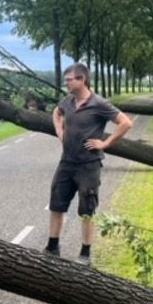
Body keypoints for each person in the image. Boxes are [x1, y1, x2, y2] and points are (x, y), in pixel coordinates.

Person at [44, 63, 133, 265]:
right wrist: (59, 131)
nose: (66, 82)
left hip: (89, 165)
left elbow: (126, 122)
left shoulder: (99, 103)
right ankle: (52, 247)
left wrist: (106, 143)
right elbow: (56, 113)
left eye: (69, 79)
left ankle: (85, 253)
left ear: (82, 79)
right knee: (56, 205)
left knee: (86, 209)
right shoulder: (67, 101)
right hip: (66, 162)